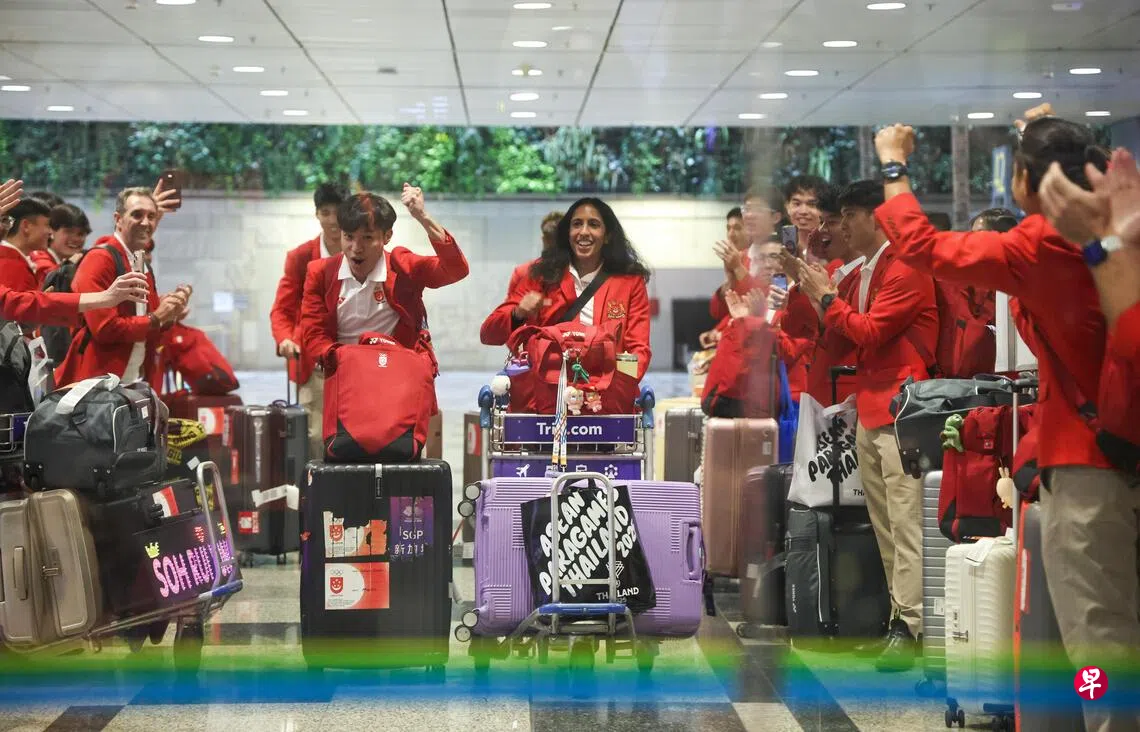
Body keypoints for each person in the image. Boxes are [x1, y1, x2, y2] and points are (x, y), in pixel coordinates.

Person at [871, 109, 1135, 731]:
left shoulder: (1038, 245)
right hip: (1126, 442)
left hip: (1088, 467)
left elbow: (922, 245)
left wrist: (894, 164)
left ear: (1022, 182)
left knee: (1097, 643)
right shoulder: (1122, 235)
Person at [796, 180, 939, 672]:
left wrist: (826, 297)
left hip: (903, 411)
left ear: (874, 217)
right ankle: (901, 618)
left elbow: (871, 331)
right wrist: (818, 291)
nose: (841, 228)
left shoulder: (906, 266)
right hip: (872, 408)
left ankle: (913, 625)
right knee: (886, 526)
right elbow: (839, 335)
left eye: (849, 217)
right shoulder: (866, 269)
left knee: (907, 523)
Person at [300, 184, 468, 399]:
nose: (356, 248)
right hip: (343, 375)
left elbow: (456, 270)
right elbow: (314, 333)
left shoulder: (401, 267)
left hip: (398, 380)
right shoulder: (320, 272)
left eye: (367, 238)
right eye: (349, 237)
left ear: (387, 236)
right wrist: (345, 359)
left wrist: (422, 216)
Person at [480, 197, 652, 380]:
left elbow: (638, 349)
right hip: (548, 389)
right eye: (577, 224)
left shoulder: (630, 281)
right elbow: (489, 334)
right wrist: (518, 313)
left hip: (605, 388)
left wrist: (617, 386)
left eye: (593, 225)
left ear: (607, 235)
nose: (584, 232)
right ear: (568, 233)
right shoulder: (541, 275)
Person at [54, 186, 189, 390]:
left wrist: (169, 314)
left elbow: (147, 326)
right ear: (118, 219)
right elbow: (105, 329)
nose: (146, 222)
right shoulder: (100, 259)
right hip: (96, 386)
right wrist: (156, 317)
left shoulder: (141, 263)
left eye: (152, 216)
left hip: (133, 382)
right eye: (137, 215)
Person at [271, 182, 349, 458]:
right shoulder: (301, 257)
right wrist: (285, 338)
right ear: (317, 214)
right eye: (325, 213)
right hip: (314, 359)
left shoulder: (360, 252)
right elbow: (282, 308)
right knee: (315, 435)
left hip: (353, 357)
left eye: (338, 212)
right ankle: (317, 483)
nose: (332, 220)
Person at [0, 179, 150, 322]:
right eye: (69, 231)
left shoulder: (18, 261)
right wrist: (104, 297)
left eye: (81, 234)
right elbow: (17, 309)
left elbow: (23, 310)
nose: (49, 232)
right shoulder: (11, 263)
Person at [779, 190, 865, 406]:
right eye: (822, 222)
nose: (822, 231)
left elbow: (853, 334)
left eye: (831, 222)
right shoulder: (833, 269)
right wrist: (801, 278)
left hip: (848, 390)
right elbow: (795, 327)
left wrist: (821, 295)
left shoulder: (869, 271)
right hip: (820, 386)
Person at [506, 210, 563, 295]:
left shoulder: (577, 274)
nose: (554, 242)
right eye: (550, 237)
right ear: (544, 239)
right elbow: (510, 303)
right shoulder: (523, 272)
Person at [32, 203, 90, 285]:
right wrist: (70, 265)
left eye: (81, 234)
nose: (75, 239)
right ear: (51, 231)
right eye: (69, 231)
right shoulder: (40, 261)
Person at [0, 198, 51, 291]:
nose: (50, 232)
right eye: (47, 225)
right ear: (26, 226)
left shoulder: (13, 262)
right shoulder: (12, 267)